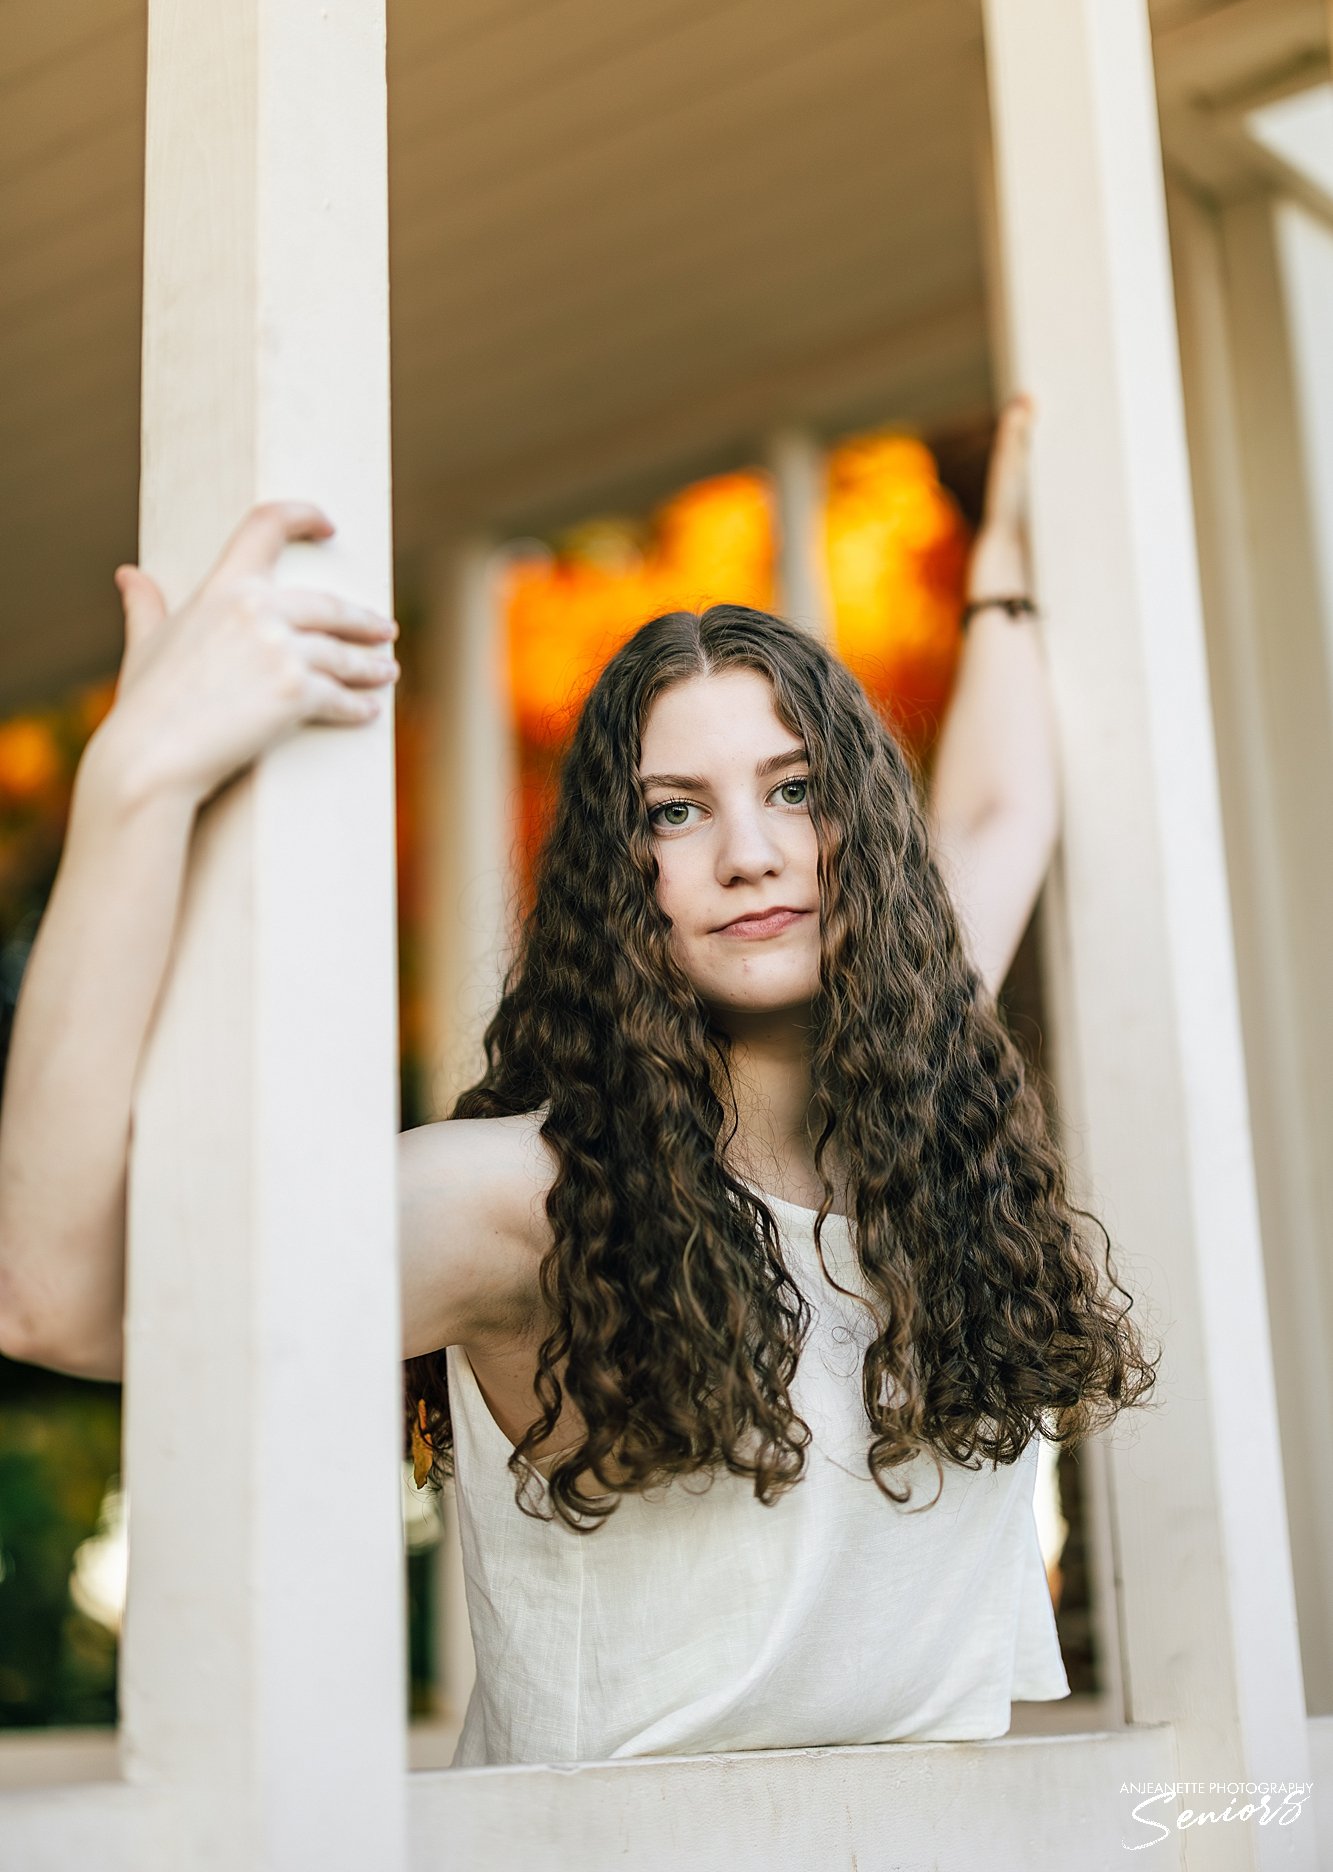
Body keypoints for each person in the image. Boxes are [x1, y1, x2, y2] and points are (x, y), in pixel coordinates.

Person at [0, 398, 1156, 1768]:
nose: (749, 852)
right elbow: (55, 1295)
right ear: (619, 884)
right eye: (674, 811)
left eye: (795, 790)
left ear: (866, 843)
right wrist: (139, 778)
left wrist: (1010, 559)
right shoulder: (530, 1206)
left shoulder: (915, 1129)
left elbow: (996, 811)